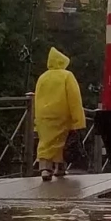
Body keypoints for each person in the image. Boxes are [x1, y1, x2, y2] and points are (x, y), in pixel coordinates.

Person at [33, 47, 86, 181]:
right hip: (62, 113)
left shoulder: (42, 77)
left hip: (44, 114)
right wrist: (78, 120)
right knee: (62, 141)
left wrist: (36, 118)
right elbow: (74, 99)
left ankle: (45, 168)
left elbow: (37, 98)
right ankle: (59, 168)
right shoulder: (67, 75)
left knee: (45, 141)